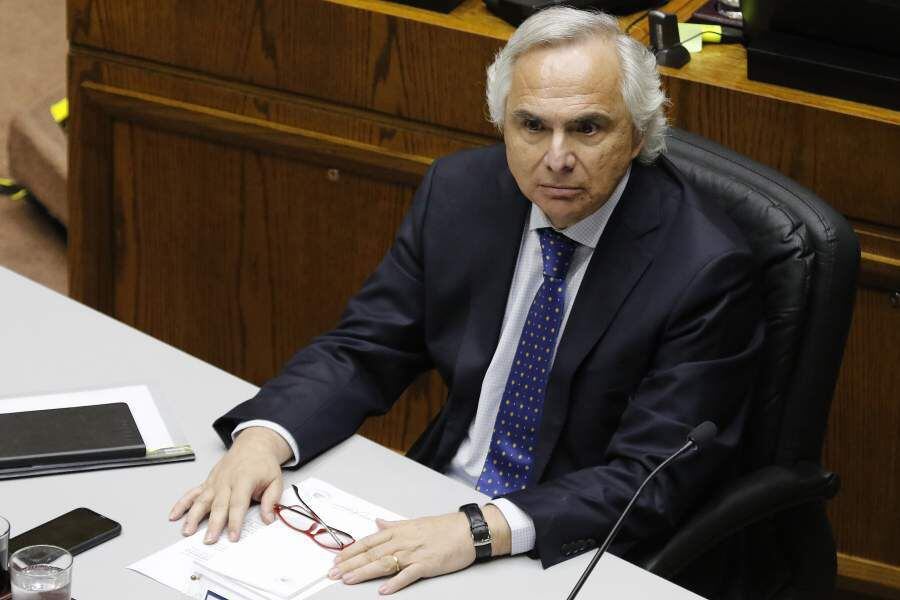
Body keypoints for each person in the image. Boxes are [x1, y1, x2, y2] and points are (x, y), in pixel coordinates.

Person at [170, 7, 763, 596]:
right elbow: (366, 345)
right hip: (435, 502)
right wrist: (263, 438)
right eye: (531, 126)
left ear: (637, 133)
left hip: (572, 544)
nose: (556, 158)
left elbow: (648, 478)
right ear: (501, 122)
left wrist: (479, 531)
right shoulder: (460, 192)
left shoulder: (704, 268)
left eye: (587, 128)